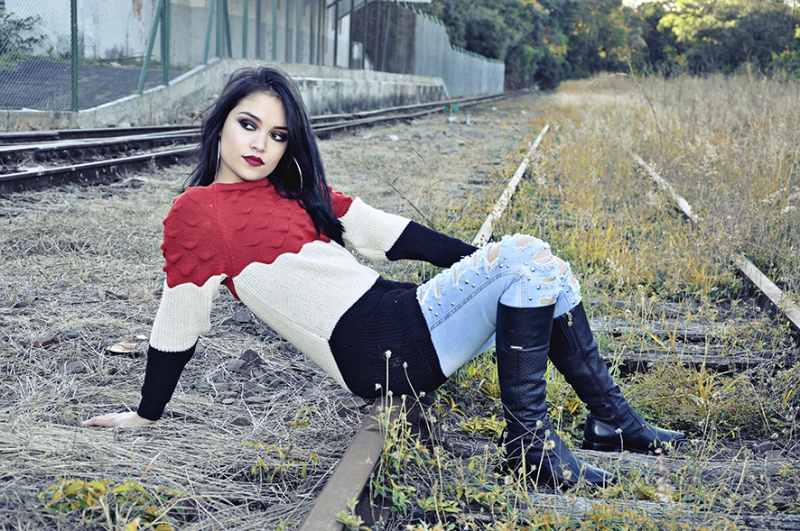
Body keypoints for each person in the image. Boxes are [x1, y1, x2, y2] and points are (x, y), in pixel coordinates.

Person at [83, 65, 685, 488]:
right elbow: (180, 317)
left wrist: (487, 266)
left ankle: (606, 422)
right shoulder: (196, 213)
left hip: (401, 322)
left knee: (542, 265)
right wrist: (147, 413)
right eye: (248, 124)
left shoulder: (295, 192)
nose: (260, 144)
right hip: (376, 350)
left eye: (277, 135)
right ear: (220, 121)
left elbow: (395, 235)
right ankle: (542, 443)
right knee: (529, 256)